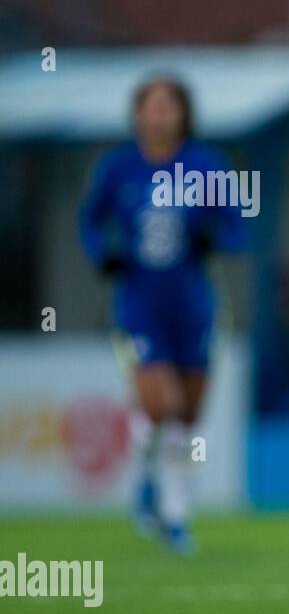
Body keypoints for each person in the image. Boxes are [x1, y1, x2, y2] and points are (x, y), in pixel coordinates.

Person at [79, 75, 245, 554]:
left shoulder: (204, 165)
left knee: (187, 416)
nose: (159, 115)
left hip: (193, 304)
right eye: (151, 106)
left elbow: (235, 225)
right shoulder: (118, 168)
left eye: (169, 106)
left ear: (183, 114)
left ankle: (150, 482)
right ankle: (175, 516)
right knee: (161, 404)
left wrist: (219, 237)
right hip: (138, 304)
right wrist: (103, 253)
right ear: (138, 114)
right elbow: (90, 220)